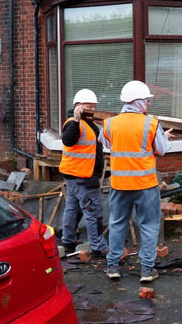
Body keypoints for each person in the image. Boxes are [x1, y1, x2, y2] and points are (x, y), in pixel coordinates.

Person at [99, 80, 173, 282]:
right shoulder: (151, 123)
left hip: (119, 185)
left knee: (117, 224)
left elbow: (106, 143)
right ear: (139, 101)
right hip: (145, 186)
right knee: (148, 226)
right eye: (146, 101)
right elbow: (162, 150)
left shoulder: (110, 123)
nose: (148, 104)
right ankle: (147, 270)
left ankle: (113, 267)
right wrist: (163, 137)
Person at [59, 89, 108, 258]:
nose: (92, 109)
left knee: (72, 210)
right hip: (83, 177)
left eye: (94, 106)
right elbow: (67, 140)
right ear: (79, 106)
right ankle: (98, 246)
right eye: (89, 106)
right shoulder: (74, 122)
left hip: (76, 175)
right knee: (93, 211)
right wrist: (77, 119)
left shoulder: (88, 123)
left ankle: (68, 242)